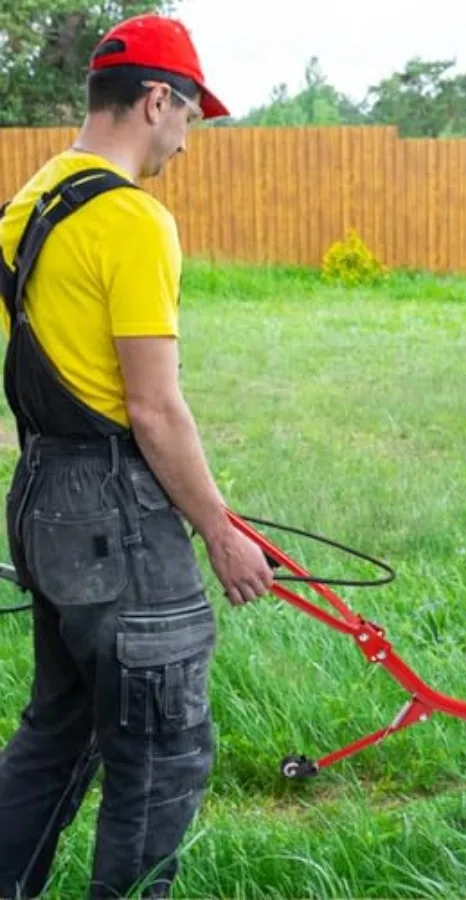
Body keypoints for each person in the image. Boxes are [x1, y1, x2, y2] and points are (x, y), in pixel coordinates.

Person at [0, 14, 274, 899]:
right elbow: (154, 409)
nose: (187, 143)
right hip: (117, 520)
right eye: (189, 118)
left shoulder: (28, 202)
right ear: (156, 99)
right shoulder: (133, 221)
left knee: (58, 731)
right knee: (159, 761)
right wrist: (222, 531)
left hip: (42, 493)